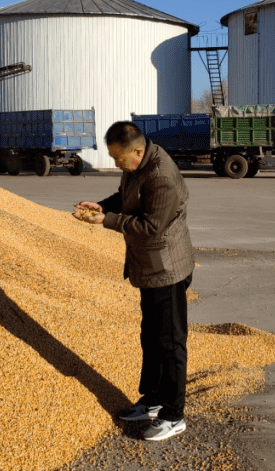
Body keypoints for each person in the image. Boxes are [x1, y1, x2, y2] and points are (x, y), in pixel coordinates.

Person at [73, 121, 195, 442]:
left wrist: (107, 221)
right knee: (151, 335)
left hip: (167, 268)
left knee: (170, 342)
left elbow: (151, 226)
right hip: (149, 267)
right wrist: (103, 205)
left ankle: (174, 414)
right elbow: (125, 197)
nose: (116, 164)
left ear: (137, 151)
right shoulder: (138, 165)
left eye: (118, 159)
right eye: (113, 158)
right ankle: (153, 399)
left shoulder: (162, 177)